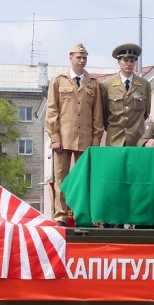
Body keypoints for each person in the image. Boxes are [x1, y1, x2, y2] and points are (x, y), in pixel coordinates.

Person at [45, 43, 104, 224]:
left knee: (82, 181)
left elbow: (97, 115)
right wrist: (54, 137)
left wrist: (96, 141)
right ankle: (61, 217)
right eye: (78, 57)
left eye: (84, 57)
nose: (82, 60)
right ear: (70, 58)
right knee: (61, 179)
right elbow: (52, 109)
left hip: (85, 140)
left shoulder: (93, 83)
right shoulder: (58, 79)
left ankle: (81, 216)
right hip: (62, 139)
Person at [101, 43, 152, 146]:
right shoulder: (107, 85)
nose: (129, 64)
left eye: (132, 61)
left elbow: (146, 112)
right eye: (125, 60)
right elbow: (104, 115)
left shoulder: (144, 84)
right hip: (115, 139)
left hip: (137, 139)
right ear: (118, 62)